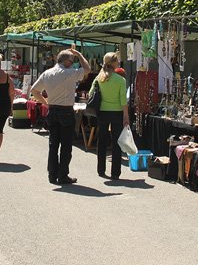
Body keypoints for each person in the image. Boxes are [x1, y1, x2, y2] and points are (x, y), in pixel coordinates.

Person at [31, 46, 90, 185]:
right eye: (72, 59)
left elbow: (34, 90)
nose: (73, 62)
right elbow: (87, 69)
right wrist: (80, 54)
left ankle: (52, 175)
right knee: (66, 145)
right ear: (67, 61)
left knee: (53, 144)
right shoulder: (69, 73)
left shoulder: (47, 73)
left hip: (53, 110)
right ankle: (63, 175)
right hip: (66, 111)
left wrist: (46, 102)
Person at [89, 52, 129, 180]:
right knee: (116, 142)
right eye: (117, 61)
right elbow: (123, 100)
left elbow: (90, 94)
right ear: (113, 63)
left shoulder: (99, 78)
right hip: (117, 112)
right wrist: (126, 116)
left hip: (102, 112)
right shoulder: (120, 80)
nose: (118, 63)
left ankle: (101, 170)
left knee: (102, 141)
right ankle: (115, 173)